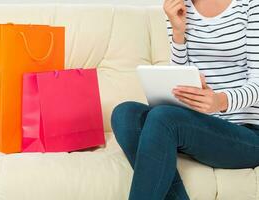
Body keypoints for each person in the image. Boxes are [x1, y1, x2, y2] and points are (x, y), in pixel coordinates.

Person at [111, 0, 259, 199]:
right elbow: (181, 76)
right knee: (125, 113)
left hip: (248, 134)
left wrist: (220, 101)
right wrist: (178, 31)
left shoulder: (251, 5)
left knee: (163, 117)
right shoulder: (181, 6)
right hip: (201, 127)